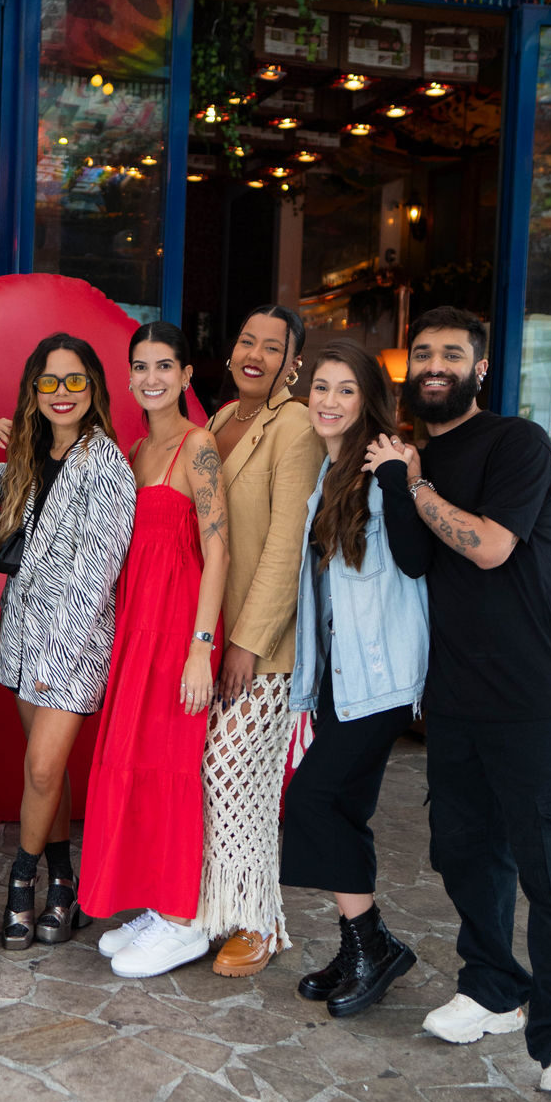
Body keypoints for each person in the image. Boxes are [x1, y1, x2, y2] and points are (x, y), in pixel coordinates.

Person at [378, 306, 551, 1093]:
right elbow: (415, 563)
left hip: (531, 690)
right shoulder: (415, 460)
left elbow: (489, 547)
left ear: (479, 368)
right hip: (455, 694)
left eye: (452, 353)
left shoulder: (518, 443)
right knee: (465, 851)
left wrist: (414, 484)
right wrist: (400, 480)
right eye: (423, 353)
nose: (434, 364)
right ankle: (492, 988)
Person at [280, 341, 429, 1016]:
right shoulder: (329, 472)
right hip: (342, 677)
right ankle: (360, 947)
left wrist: (398, 478)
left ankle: (373, 943)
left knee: (312, 800)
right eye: (321, 387)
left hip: (382, 673)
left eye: (345, 389)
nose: (329, 400)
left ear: (368, 400)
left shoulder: (381, 469)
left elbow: (418, 560)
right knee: (344, 809)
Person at [81, 322, 230, 979]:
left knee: (171, 766)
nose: (151, 378)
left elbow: (218, 550)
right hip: (136, 628)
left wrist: (201, 647)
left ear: (186, 375)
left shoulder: (199, 446)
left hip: (178, 631)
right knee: (134, 761)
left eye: (164, 366)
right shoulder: (136, 449)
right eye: (140, 367)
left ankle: (184, 920)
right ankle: (157, 902)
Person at [0, 335, 136, 949]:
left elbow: (97, 573)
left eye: (75, 381)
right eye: (48, 382)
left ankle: (21, 883)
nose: (62, 393)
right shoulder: (29, 456)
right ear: (34, 391)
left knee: (44, 767)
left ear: (94, 388)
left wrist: (58, 654)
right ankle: (64, 882)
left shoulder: (107, 464)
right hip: (22, 633)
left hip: (71, 642)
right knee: (44, 773)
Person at [198, 305, 324, 976]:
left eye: (272, 348)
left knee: (234, 776)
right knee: (214, 778)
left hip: (262, 644)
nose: (255, 354)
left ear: (292, 363)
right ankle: (221, 908)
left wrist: (247, 642)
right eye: (247, 340)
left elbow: (286, 545)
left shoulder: (295, 425)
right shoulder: (220, 420)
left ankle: (261, 922)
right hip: (206, 634)